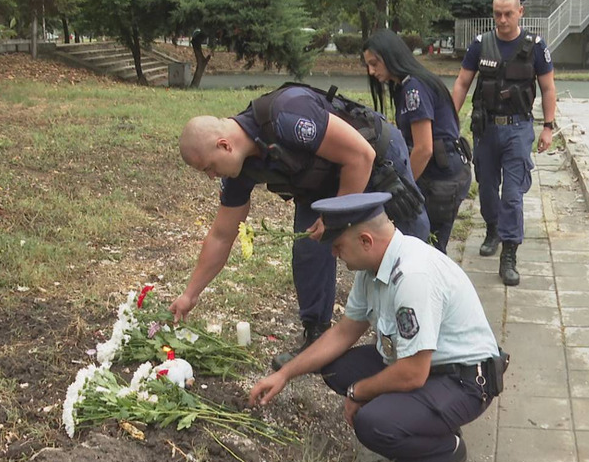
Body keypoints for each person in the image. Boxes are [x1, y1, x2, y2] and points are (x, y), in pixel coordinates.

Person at [248, 192, 504, 462]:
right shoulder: (375, 267)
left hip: (463, 381)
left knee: (373, 424)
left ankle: (444, 452)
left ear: (366, 241)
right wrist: (285, 374)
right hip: (427, 367)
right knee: (335, 369)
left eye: (338, 246)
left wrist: (359, 392)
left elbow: (412, 374)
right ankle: (423, 421)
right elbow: (344, 332)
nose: (334, 255)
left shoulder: (412, 276)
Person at [172, 85, 431, 370]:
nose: (211, 176)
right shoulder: (238, 169)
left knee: (404, 249)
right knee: (309, 247)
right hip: (321, 179)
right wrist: (189, 294)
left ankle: (421, 343)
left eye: (209, 167)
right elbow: (222, 235)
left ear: (224, 145)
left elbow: (361, 157)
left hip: (377, 158)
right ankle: (317, 336)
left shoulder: (287, 115)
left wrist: (335, 219)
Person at [451, 0, 557, 286]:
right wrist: (449, 120)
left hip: (518, 129)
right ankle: (492, 228)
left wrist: (548, 126)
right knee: (485, 186)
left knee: (512, 194)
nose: (502, 19)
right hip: (486, 130)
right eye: (497, 13)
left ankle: (509, 252)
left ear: (520, 12)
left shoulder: (535, 46)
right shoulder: (480, 44)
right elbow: (462, 83)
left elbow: (548, 88)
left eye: (508, 13)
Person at [363, 29, 472, 254]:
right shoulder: (407, 84)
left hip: (441, 179)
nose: (371, 71)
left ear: (391, 56)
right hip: (443, 173)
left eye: (375, 63)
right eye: (368, 65)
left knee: (428, 254)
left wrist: (402, 187)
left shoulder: (414, 88)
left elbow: (423, 149)